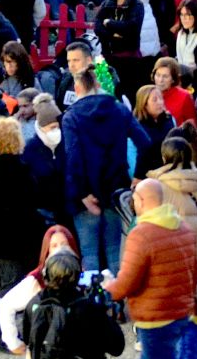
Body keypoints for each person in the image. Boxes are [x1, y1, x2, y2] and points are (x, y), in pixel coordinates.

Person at [104, 179, 197, 359]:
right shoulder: (182, 227)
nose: (133, 203)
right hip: (179, 313)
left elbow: (127, 281)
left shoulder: (142, 234)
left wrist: (108, 290)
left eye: (135, 199)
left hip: (154, 318)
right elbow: (194, 271)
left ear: (143, 201)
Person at [62, 69, 147, 276]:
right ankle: (117, 294)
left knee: (89, 254)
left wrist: (83, 193)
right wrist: (138, 175)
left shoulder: (71, 116)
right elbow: (145, 143)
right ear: (98, 85)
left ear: (77, 88)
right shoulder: (119, 109)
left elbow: (73, 158)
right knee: (115, 252)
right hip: (116, 189)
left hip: (85, 194)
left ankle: (92, 295)